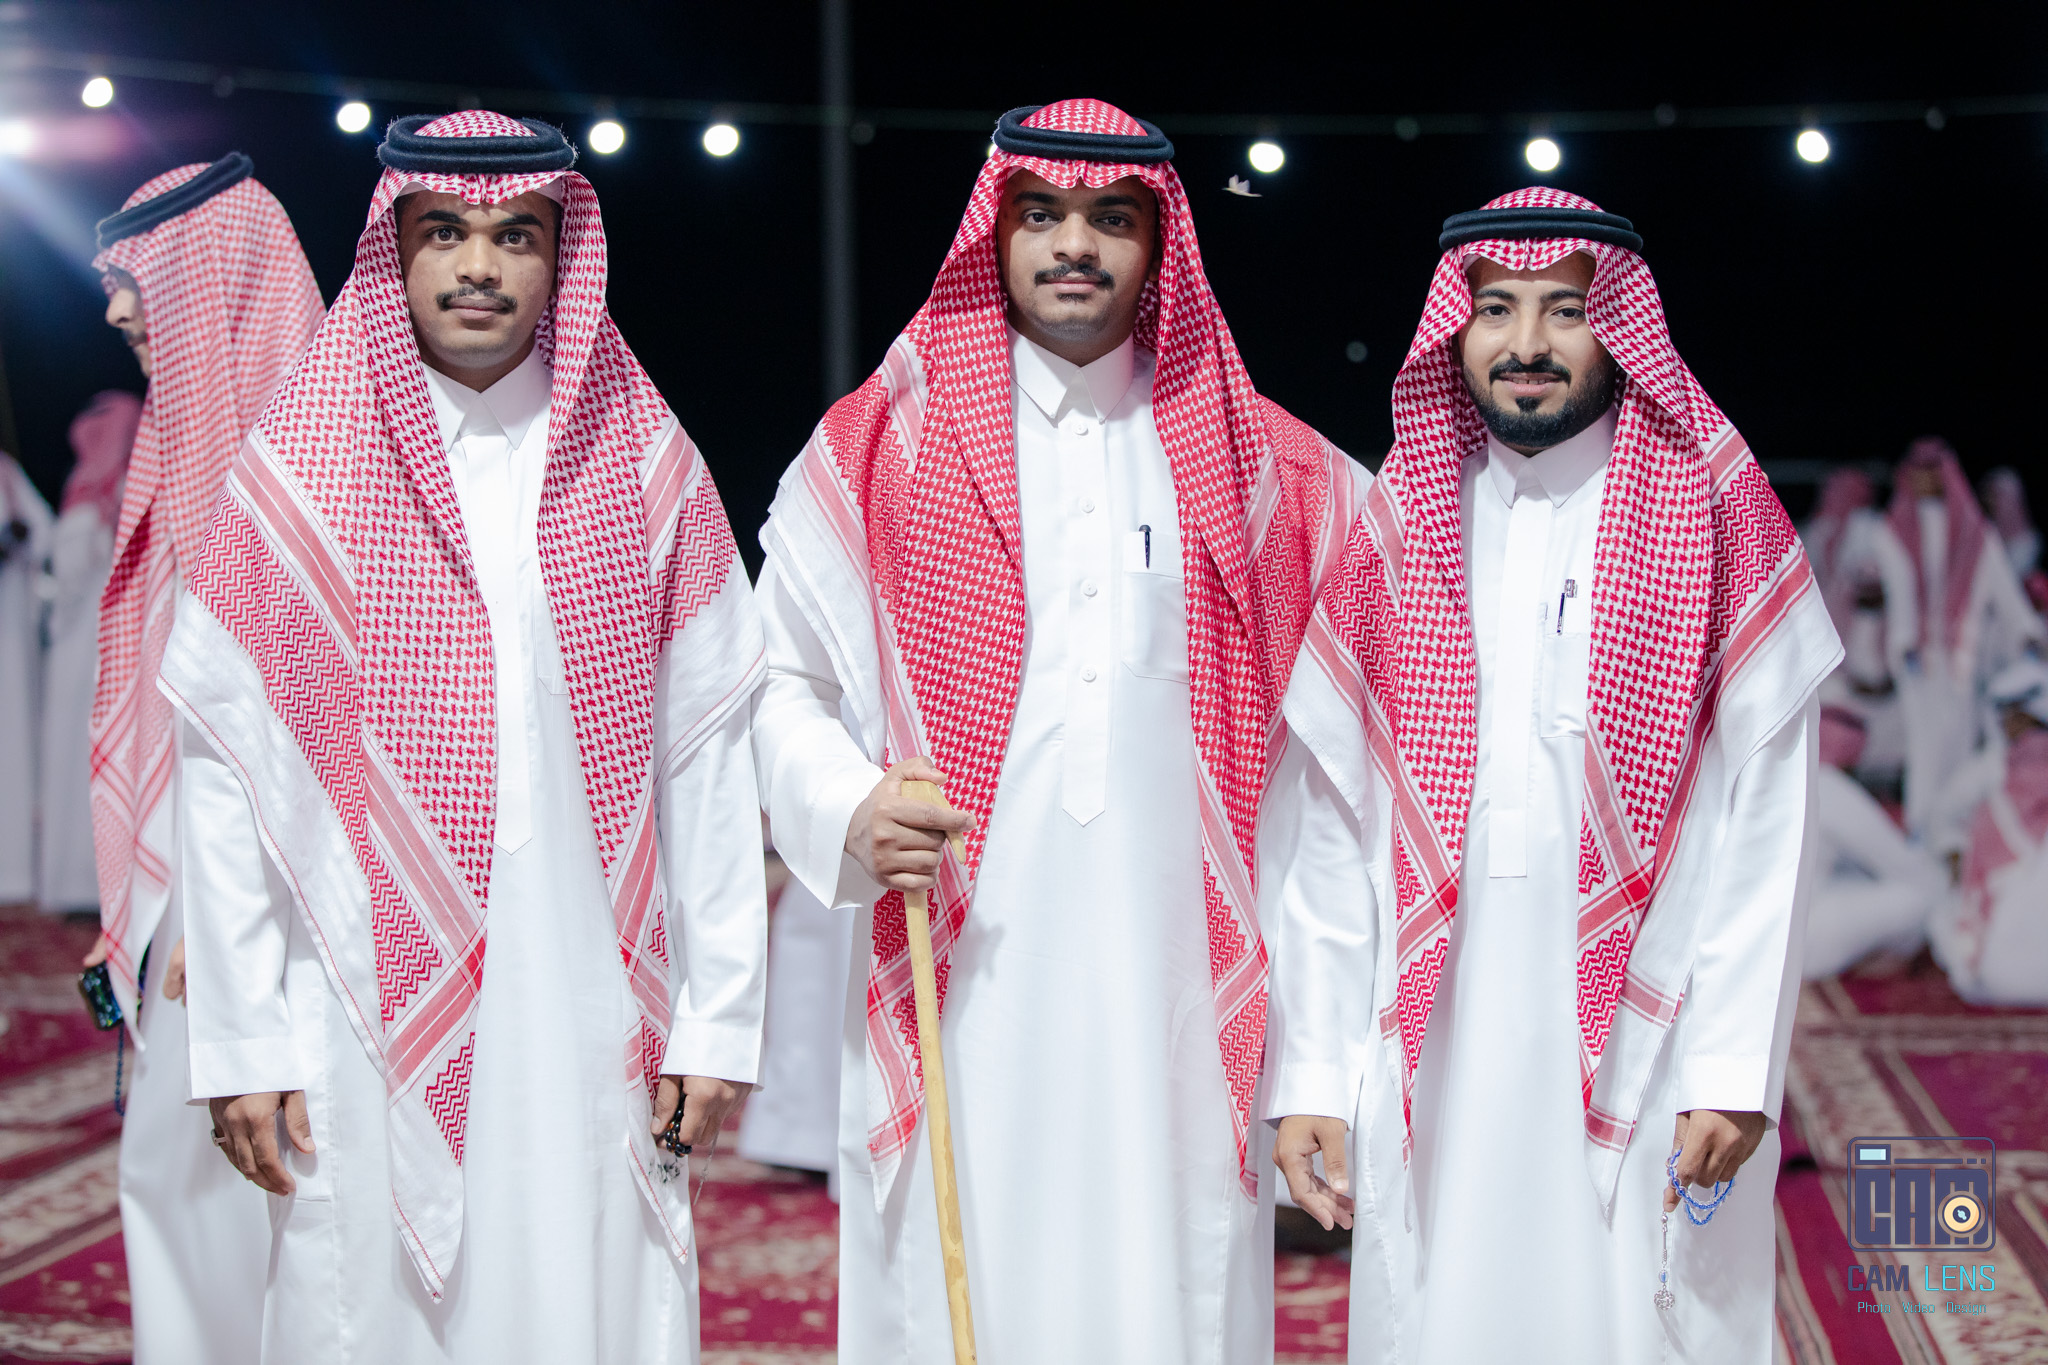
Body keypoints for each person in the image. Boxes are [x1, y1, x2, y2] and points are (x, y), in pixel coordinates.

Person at [752, 99, 1366, 1363]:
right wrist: (845, 808)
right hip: (960, 986)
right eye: (1040, 214)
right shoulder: (876, 446)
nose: (1073, 244)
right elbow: (772, 683)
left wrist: (1318, 1049)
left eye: (1109, 218)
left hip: (1178, 1001)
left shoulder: (1271, 471)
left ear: (1159, 242)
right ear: (995, 231)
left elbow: (1341, 754)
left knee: (1170, 1295)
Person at [166, 111, 768, 1364]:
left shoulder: (642, 462)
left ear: (562, 256)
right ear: (395, 250)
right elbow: (227, 775)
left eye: (516, 236)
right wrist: (238, 1038)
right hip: (356, 1008)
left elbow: (708, 758)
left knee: (588, 1284)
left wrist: (718, 1020)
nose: (479, 266)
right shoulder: (304, 469)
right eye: (443, 233)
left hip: (592, 1003)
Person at [1267, 188, 1840, 1363]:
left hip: (1656, 1028)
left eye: (1564, 311)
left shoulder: (1711, 507)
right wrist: (1314, 1069)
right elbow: (1331, 823)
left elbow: (1766, 818)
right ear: (1455, 329)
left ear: (1615, 327)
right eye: (1495, 309)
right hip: (1436, 1026)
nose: (1524, 342)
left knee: (1639, 1313)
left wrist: (1731, 1066)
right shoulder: (1396, 526)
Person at [86, 154, 323, 1364]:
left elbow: (338, 708)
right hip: (197, 888)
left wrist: (249, 902)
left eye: (133, 275)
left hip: (285, 895)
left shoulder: (321, 462)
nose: (116, 308)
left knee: (272, 1186)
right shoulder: (188, 454)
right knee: (180, 1183)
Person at [1872, 437, 2042, 832]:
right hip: (1915, 657)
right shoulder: (1893, 530)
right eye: (1919, 472)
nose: (1925, 480)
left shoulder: (1974, 532)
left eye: (1933, 471)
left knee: (1958, 741)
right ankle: (1922, 830)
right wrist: (1904, 641)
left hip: (1963, 655)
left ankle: (1953, 831)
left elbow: (2002, 587)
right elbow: (1897, 591)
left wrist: (2027, 631)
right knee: (1924, 745)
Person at [38, 391, 142, 913]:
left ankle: (84, 884)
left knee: (88, 754)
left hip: (87, 649)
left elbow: (67, 574)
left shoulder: (86, 496)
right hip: (121, 643)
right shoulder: (134, 487)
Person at [1802, 697, 1946, 978]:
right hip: (1793, 946)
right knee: (1923, 896)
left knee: (1846, 880)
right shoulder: (1826, 783)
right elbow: (1908, 868)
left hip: (1737, 935)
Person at [1931, 725, 2048, 1005]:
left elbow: (1972, 908)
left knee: (1940, 911)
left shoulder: (1990, 812)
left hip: (1999, 981)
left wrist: (1966, 977)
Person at [0, 449, 51, 905]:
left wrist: (18, 535)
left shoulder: (7, 473)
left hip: (9, 639)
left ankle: (13, 872)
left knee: (12, 740)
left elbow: (44, 533)